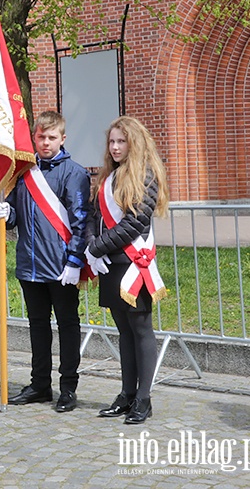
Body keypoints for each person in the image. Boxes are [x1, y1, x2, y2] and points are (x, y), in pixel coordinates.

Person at [0, 111, 91, 412]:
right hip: (30, 263)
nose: (45, 143)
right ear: (33, 138)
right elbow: (15, 217)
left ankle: (68, 387)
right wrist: (6, 214)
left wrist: (74, 261)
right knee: (37, 327)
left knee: (67, 326)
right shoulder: (23, 172)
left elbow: (80, 221)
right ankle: (40, 384)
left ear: (62, 139)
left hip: (61, 266)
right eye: (41, 137)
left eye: (51, 137)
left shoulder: (74, 172)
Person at [86, 116, 169, 425]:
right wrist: (91, 243)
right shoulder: (108, 177)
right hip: (111, 262)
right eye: (112, 141)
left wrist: (96, 247)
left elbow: (134, 223)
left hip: (134, 263)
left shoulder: (146, 176)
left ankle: (144, 399)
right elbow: (95, 216)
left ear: (134, 143)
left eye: (122, 141)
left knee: (141, 329)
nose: (116, 146)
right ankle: (126, 394)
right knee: (123, 331)